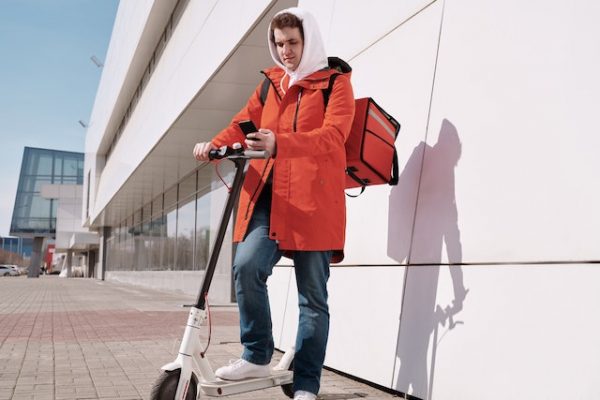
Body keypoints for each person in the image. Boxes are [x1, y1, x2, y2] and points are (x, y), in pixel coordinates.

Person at [193, 7, 354, 400]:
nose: (285, 51)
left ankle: (306, 386)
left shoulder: (335, 84)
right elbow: (240, 122)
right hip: (269, 197)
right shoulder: (270, 84)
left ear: (308, 41)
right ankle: (257, 353)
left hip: (314, 204)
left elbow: (334, 136)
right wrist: (212, 145)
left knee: (312, 298)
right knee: (247, 266)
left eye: (292, 43)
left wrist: (281, 144)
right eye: (279, 44)